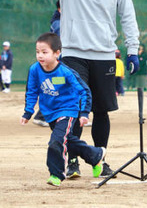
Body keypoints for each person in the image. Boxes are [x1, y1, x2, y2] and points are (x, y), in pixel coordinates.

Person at [12, 0, 140, 178]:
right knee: (73, 108)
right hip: (72, 55)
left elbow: (128, 15)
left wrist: (132, 49)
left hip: (104, 54)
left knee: (101, 111)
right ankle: (73, 162)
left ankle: (100, 160)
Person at [20, 32, 106, 187]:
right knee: (68, 140)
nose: (40, 56)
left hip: (68, 111)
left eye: (44, 52)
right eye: (37, 52)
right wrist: (28, 111)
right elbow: (32, 91)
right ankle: (95, 155)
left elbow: (84, 90)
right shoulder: (34, 70)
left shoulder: (66, 72)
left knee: (56, 141)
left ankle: (56, 174)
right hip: (50, 113)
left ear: (57, 53)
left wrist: (84, 112)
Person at [33, 0, 63, 127]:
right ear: (60, 9)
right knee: (57, 86)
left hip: (58, 60)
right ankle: (42, 115)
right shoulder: (59, 24)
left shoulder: (59, 21)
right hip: (58, 61)